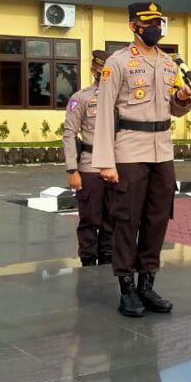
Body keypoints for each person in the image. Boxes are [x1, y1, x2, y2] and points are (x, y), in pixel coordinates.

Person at [91, 2, 191, 317]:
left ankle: (147, 285)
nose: (155, 29)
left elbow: (176, 109)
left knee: (157, 218)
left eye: (158, 23)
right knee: (126, 220)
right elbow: (106, 112)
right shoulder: (117, 63)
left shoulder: (169, 64)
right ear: (133, 27)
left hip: (162, 149)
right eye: (148, 23)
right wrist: (105, 161)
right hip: (129, 149)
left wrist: (181, 100)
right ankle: (127, 289)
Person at [62, 50, 114, 267]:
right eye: (100, 70)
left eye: (107, 71)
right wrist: (72, 170)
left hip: (115, 167)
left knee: (112, 219)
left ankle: (108, 259)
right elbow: (69, 133)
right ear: (94, 70)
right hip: (90, 166)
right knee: (90, 220)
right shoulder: (81, 98)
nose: (103, 74)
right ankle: (88, 261)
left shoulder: (120, 97)